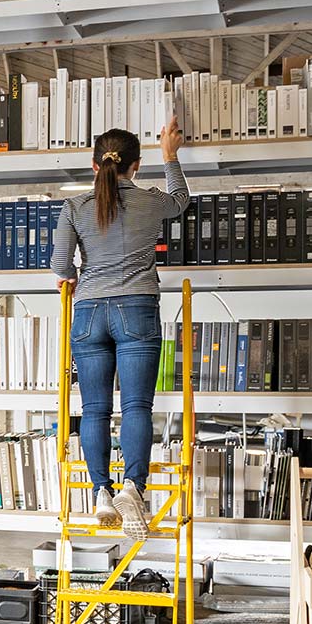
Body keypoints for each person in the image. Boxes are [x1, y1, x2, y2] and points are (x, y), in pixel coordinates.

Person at [51, 118, 186, 540]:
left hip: (89, 312)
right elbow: (182, 199)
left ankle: (100, 493)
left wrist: (72, 278)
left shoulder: (73, 208)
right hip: (138, 308)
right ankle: (133, 486)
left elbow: (59, 268)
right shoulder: (150, 201)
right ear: (135, 166)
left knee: (93, 410)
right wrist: (171, 155)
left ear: (94, 166)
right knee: (136, 407)